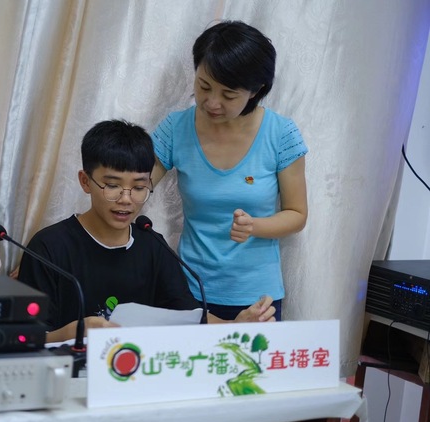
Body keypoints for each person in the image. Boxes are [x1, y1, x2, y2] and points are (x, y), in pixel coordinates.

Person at [17, 119, 275, 343]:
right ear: (85, 181)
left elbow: (189, 317)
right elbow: (25, 338)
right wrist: (74, 332)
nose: (126, 199)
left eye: (139, 188)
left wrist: (235, 325)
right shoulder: (49, 247)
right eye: (112, 186)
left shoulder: (152, 245)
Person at [150, 21, 308, 320]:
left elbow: (297, 214)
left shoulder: (280, 134)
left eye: (229, 94)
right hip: (190, 289)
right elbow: (137, 185)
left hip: (256, 296)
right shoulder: (175, 128)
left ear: (256, 90)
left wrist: (254, 227)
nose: (212, 102)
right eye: (203, 86)